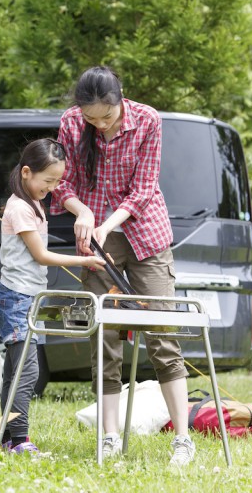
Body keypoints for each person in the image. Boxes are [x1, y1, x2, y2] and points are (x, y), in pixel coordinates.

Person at [50, 66, 196, 466]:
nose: (99, 125)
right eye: (90, 119)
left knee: (162, 334)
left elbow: (144, 189)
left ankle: (182, 439)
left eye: (106, 117)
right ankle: (110, 436)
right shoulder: (70, 123)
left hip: (144, 237)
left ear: (120, 101)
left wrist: (104, 224)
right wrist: (80, 211)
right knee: (105, 337)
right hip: (94, 238)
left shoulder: (148, 120)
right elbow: (62, 184)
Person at [0, 138, 105, 454]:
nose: (53, 187)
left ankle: (7, 438)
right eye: (48, 181)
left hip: (30, 298)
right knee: (26, 372)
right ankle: (19, 440)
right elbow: (41, 256)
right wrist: (83, 260)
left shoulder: (33, 204)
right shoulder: (19, 207)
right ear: (27, 172)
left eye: (58, 181)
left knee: (15, 372)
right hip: (17, 298)